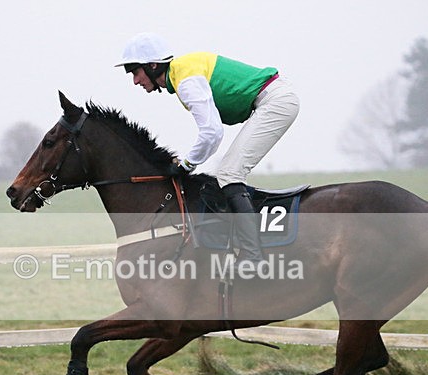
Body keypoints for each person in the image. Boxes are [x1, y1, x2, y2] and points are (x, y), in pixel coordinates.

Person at [115, 32, 300, 268]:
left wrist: (186, 165)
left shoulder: (186, 79)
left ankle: (253, 256)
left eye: (135, 72)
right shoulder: (181, 74)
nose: (135, 81)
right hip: (273, 100)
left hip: (275, 102)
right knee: (228, 173)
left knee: (229, 174)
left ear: (152, 65)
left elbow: (212, 133)